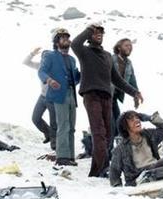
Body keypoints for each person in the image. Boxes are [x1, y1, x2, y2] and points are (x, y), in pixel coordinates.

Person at [72, 23, 143, 178]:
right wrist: (89, 29)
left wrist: (134, 92)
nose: (99, 34)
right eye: (96, 32)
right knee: (99, 133)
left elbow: (117, 79)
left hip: (107, 97)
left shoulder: (106, 56)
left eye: (101, 32)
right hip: (92, 95)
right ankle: (102, 169)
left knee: (109, 134)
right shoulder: (84, 52)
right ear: (90, 36)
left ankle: (98, 169)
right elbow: (75, 43)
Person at [38, 28, 81, 166]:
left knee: (72, 127)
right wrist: (50, 81)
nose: (66, 40)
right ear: (56, 41)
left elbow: (75, 78)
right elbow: (41, 71)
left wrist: (82, 73)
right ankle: (62, 157)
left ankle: (70, 156)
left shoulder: (72, 59)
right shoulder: (50, 56)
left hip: (71, 94)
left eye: (67, 37)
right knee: (63, 125)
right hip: (58, 95)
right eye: (62, 38)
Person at [109, 111, 163, 187]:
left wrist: (150, 118)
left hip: (157, 172)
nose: (137, 120)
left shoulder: (149, 135)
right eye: (132, 120)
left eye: (137, 117)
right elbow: (114, 172)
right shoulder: (120, 148)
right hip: (138, 181)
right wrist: (119, 189)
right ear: (125, 126)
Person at [23, 46, 57, 149]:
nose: (44, 60)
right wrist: (32, 53)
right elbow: (25, 62)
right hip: (42, 97)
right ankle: (48, 133)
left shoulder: (55, 67)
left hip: (53, 98)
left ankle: (55, 145)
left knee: (54, 122)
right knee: (35, 118)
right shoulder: (40, 66)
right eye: (43, 58)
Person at [110, 38, 139, 149]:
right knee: (111, 123)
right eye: (126, 45)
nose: (129, 47)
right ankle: (109, 150)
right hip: (107, 95)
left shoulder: (128, 63)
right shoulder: (111, 59)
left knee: (118, 122)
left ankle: (118, 149)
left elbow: (132, 80)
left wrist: (135, 94)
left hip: (115, 97)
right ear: (119, 47)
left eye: (130, 46)